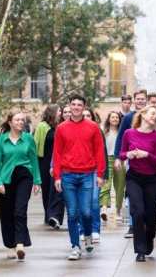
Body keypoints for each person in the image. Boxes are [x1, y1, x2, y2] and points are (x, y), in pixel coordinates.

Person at [53, 95, 106, 261]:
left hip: (87, 175)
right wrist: (57, 176)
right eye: (73, 104)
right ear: (69, 106)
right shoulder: (61, 128)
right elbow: (57, 153)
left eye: (79, 105)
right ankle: (75, 246)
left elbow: (99, 151)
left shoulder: (93, 127)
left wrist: (100, 174)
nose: (76, 107)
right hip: (67, 175)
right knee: (73, 213)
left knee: (86, 212)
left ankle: (88, 234)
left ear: (84, 107)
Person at [0, 109, 41, 261]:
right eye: (17, 120)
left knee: (20, 210)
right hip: (6, 179)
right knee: (7, 213)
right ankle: (11, 245)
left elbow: (33, 160)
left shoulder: (28, 139)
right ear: (10, 122)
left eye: (22, 120)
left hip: (24, 175)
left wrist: (37, 181)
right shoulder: (1, 140)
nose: (20, 122)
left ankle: (20, 244)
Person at [118, 105, 156, 262]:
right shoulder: (128, 133)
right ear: (143, 115)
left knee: (151, 215)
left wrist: (146, 154)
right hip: (134, 178)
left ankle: (149, 238)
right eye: (152, 113)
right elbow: (122, 154)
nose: (155, 117)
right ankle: (140, 250)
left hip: (151, 179)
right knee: (137, 212)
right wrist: (128, 154)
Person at [114, 89, 148, 238]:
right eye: (138, 99)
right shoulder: (128, 118)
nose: (140, 101)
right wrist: (118, 157)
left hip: (150, 160)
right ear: (134, 100)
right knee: (132, 194)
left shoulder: (153, 115)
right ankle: (132, 226)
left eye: (143, 99)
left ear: (146, 100)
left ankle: (147, 223)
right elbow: (121, 137)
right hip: (132, 160)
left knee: (149, 195)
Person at [79, 108, 108, 243]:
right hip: (79, 169)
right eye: (83, 115)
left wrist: (103, 174)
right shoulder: (75, 129)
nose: (86, 117)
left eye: (88, 115)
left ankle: (95, 229)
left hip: (95, 170)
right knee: (81, 203)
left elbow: (103, 153)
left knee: (94, 200)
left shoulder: (97, 130)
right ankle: (83, 230)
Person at [33, 105, 60, 224]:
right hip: (44, 161)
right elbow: (35, 143)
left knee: (55, 189)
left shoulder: (59, 126)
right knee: (46, 189)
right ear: (53, 112)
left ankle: (53, 215)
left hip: (56, 161)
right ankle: (47, 214)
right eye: (59, 110)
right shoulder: (42, 126)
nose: (61, 113)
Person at [100, 111, 124, 219]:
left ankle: (118, 210)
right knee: (106, 185)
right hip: (107, 159)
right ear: (108, 119)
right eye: (112, 117)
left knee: (119, 186)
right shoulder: (104, 132)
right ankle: (104, 208)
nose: (115, 119)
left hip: (119, 160)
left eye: (117, 117)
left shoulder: (122, 133)